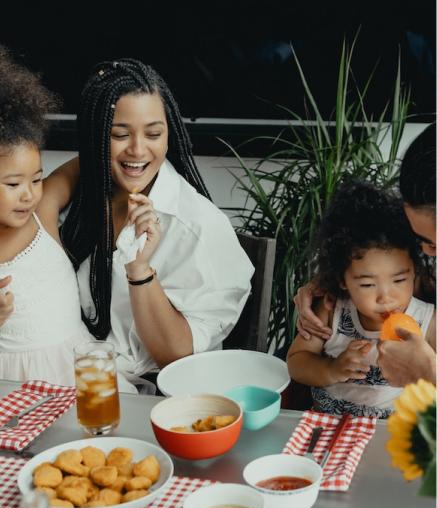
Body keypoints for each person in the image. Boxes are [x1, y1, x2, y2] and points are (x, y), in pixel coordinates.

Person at [37, 58, 254, 388]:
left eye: (154, 133)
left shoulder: (197, 227)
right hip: (79, 370)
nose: (138, 150)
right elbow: (40, 209)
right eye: (119, 134)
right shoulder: (87, 190)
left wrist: (140, 270)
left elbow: (177, 357)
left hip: (151, 393)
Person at [0, 45, 136, 391]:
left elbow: (87, 162)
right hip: (10, 384)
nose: (30, 193)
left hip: (79, 374)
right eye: (14, 184)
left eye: (36, 178)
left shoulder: (41, 216)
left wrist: (131, 152)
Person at [293, 121, 437, 389]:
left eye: (435, 244)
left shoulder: (429, 320)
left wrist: (430, 373)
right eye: (422, 241)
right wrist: (328, 280)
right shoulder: (333, 309)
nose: (428, 254)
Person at [286, 179, 437, 417]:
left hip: (390, 435)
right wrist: (331, 369)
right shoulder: (331, 310)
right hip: (327, 426)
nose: (386, 297)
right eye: (367, 284)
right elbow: (296, 362)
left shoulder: (428, 320)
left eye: (399, 280)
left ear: (415, 271)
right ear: (342, 280)